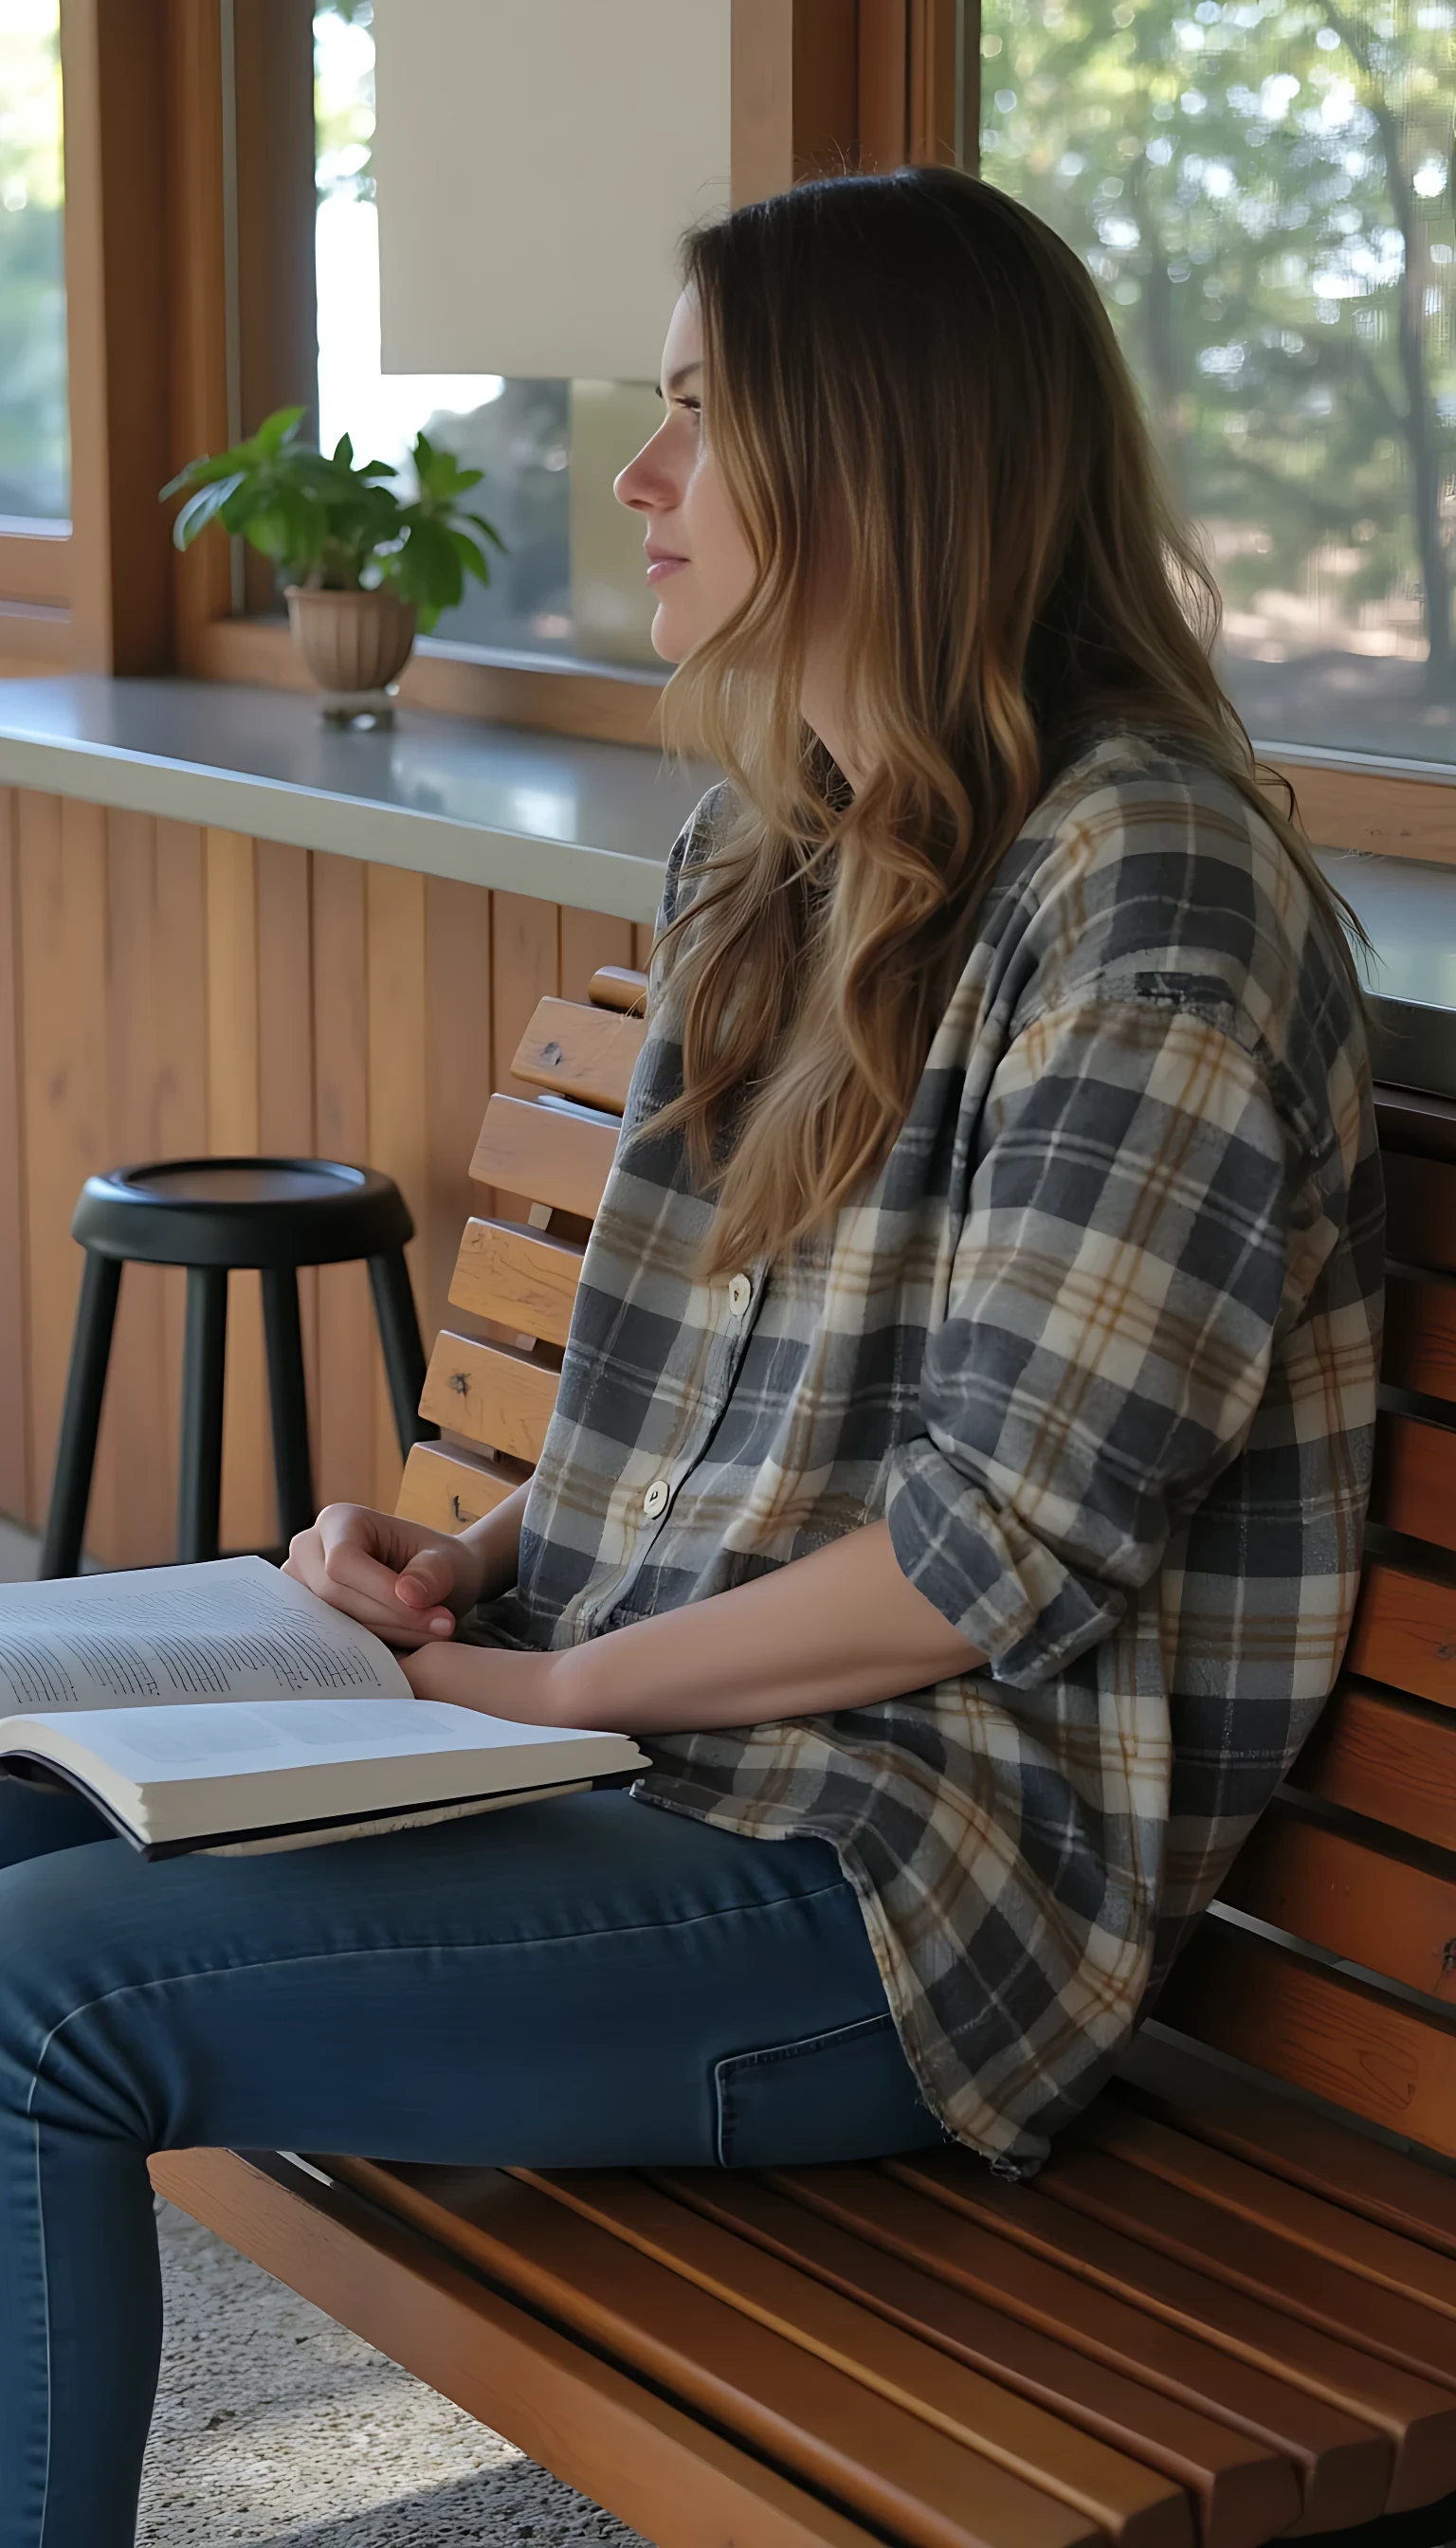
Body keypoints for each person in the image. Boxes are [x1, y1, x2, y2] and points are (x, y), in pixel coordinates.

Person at [0, 168, 1381, 2548]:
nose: (631, 482)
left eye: (696, 418)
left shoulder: (1150, 893)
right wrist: (469, 1569)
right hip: (660, 1764)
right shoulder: (778, 842)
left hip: (909, 1892)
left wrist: (547, 1699)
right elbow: (722, 1389)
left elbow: (994, 1549)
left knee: (38, 2000)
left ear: (886, 455)